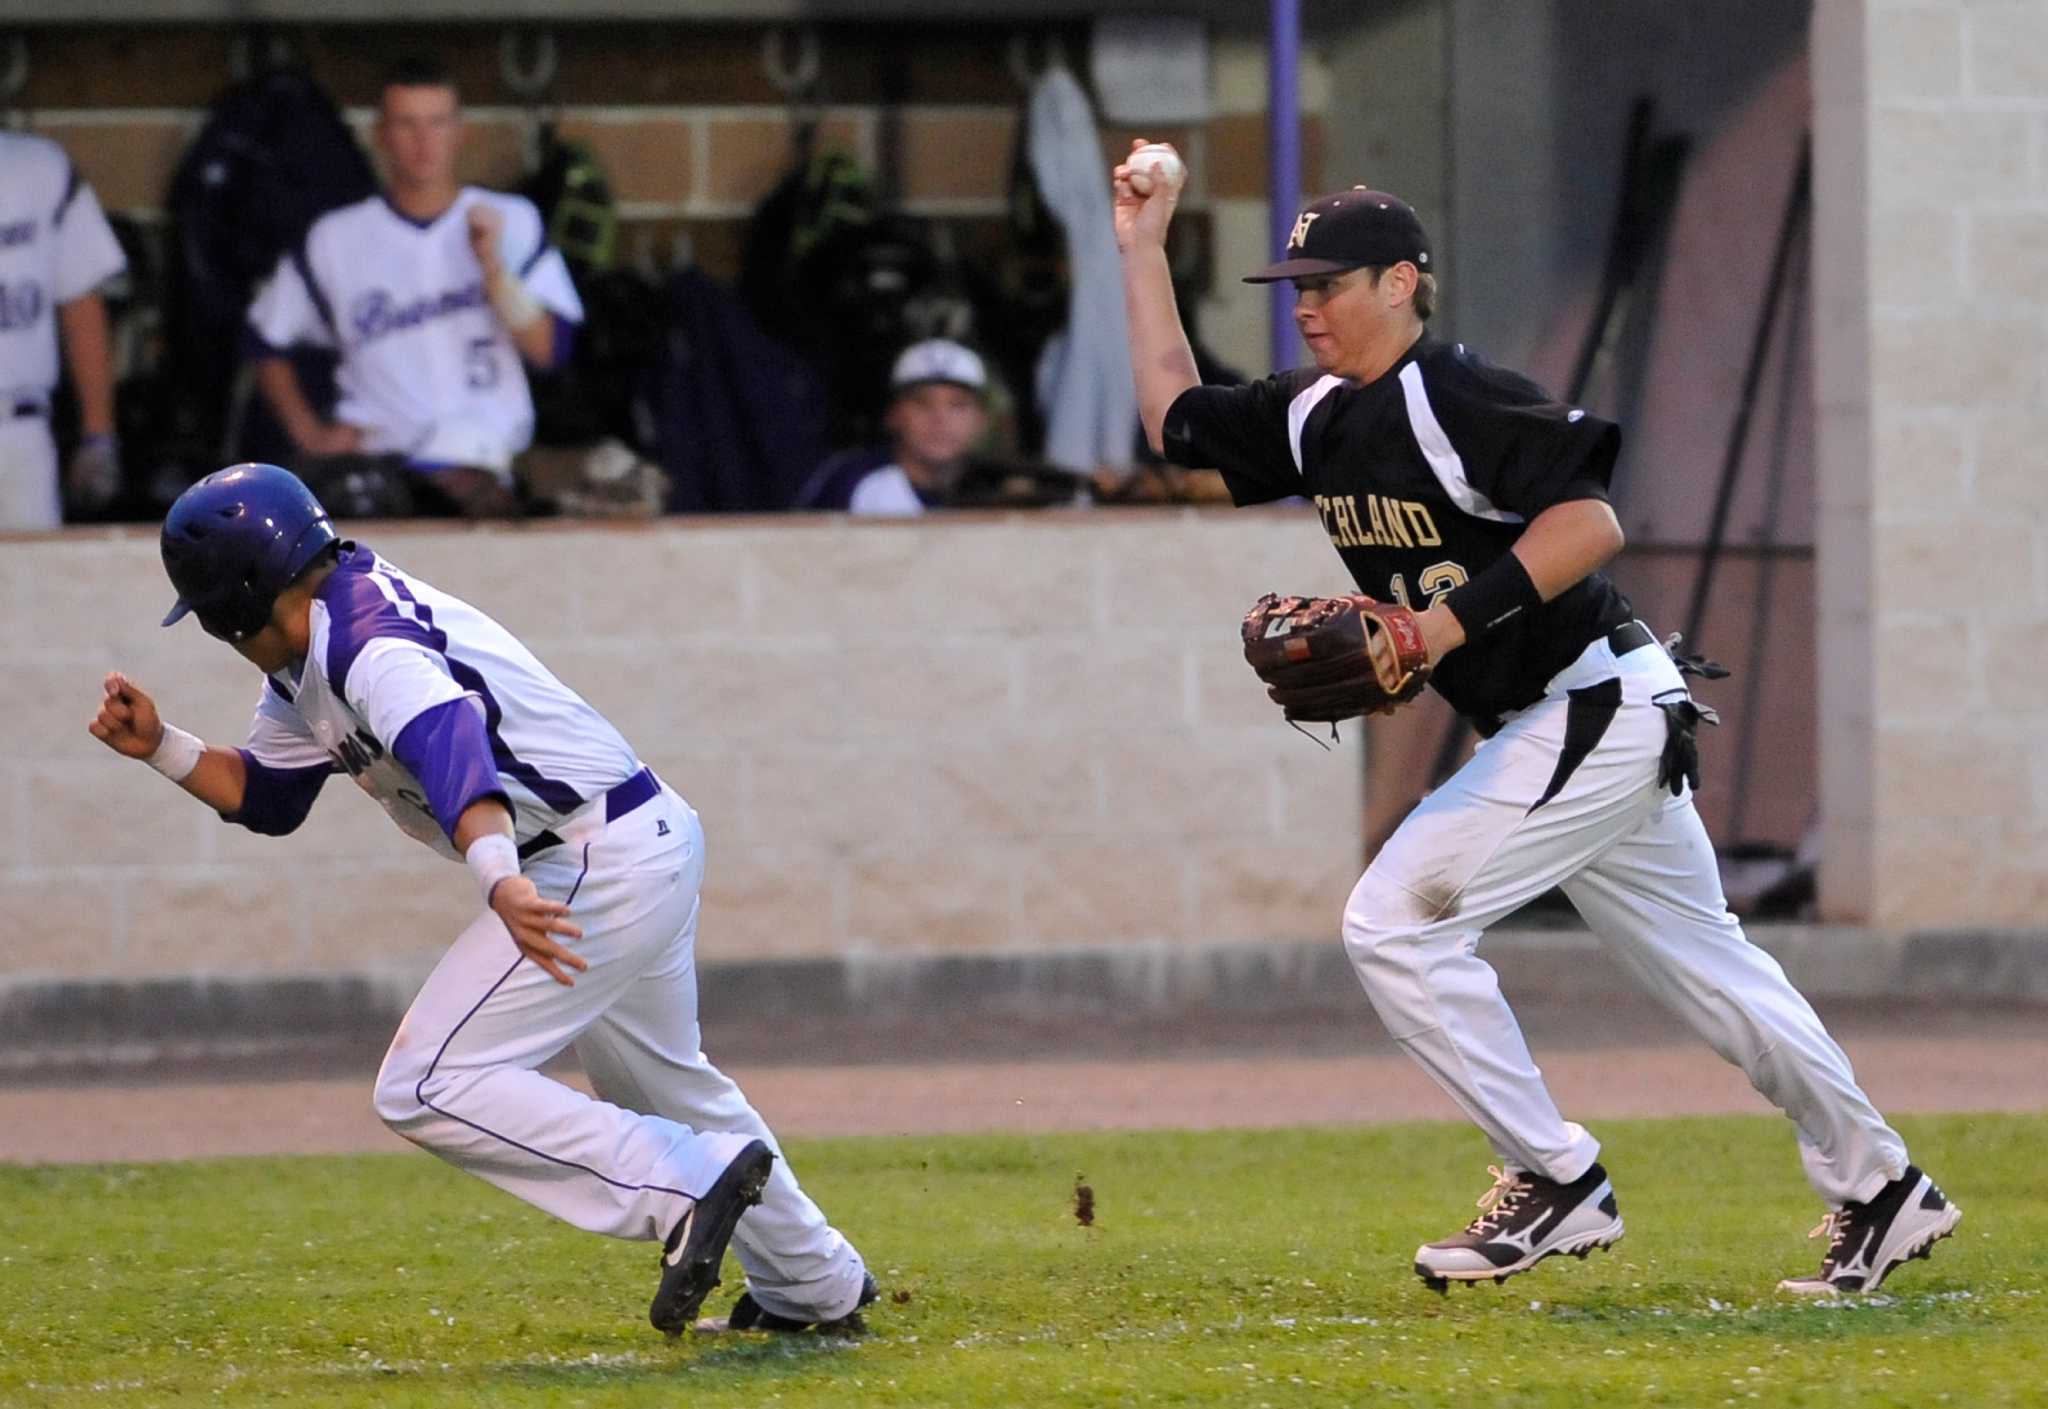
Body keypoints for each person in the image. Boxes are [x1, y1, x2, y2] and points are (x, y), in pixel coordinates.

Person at [1112, 143, 1961, 1298]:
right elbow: (1172, 419)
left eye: (1328, 283)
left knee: (1391, 920)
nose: (1305, 305)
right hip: (1577, 713)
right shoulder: (1316, 417)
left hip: (1591, 702)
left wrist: (1429, 634)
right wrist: (1140, 248)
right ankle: (1882, 1187)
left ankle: (1554, 1178)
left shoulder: (1454, 392)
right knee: (1716, 975)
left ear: (1401, 282)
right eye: (1294, 288)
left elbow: (1588, 522)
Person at [89, 463, 875, 1336]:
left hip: (585, 856)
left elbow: (447, 734)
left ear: (234, 603)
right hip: (630, 837)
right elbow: (268, 798)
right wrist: (163, 745)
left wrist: (497, 872)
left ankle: (688, 1183)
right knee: (662, 1085)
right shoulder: (311, 654)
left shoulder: (364, 641)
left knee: (425, 1082)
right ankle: (817, 1286)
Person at [244, 56, 583, 518]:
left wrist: (495, 273)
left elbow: (552, 350)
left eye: (437, 123)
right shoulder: (337, 236)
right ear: (381, 134)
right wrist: (310, 436)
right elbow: (265, 340)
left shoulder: (512, 219)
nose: (424, 142)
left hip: (489, 465)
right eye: (407, 124)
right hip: (384, 474)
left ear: (460, 131)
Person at [0, 130, 127, 530]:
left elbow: (79, 296)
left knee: (31, 588)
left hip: (16, 429)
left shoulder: (37, 166)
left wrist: (98, 435)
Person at [798, 338, 1077, 514]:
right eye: (922, 403)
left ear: (979, 421)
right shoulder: (851, 481)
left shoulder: (1003, 485)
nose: (940, 419)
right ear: (894, 415)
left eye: (957, 405)